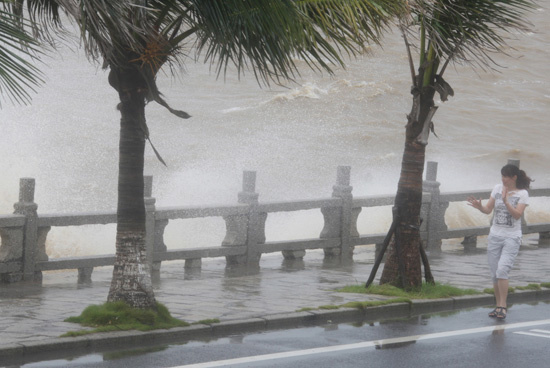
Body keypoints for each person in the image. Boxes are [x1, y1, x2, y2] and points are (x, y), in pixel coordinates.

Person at [467, 164, 532, 320]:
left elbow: (517, 215)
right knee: (495, 274)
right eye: (502, 176)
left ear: (514, 177)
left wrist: (506, 201)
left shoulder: (523, 194)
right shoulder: (497, 188)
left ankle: (503, 306)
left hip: (512, 237)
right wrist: (479, 207)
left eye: (506, 176)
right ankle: (498, 306)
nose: (503, 179)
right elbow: (488, 210)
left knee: (503, 270)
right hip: (495, 236)